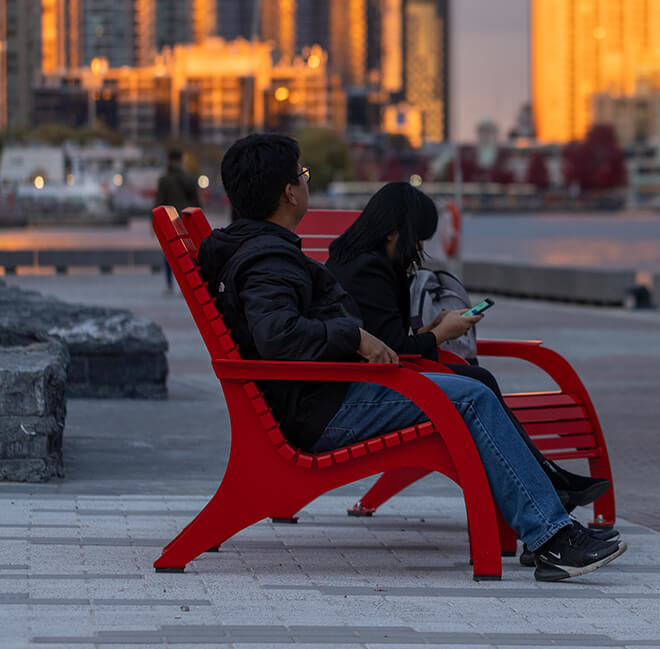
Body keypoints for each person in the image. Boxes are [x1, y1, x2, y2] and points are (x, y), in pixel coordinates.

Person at [195, 133, 625, 581]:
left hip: (319, 393)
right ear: (289, 191)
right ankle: (553, 538)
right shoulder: (267, 259)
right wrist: (356, 337)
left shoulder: (256, 249)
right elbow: (278, 335)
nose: (305, 183)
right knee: (469, 397)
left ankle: (548, 527)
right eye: (302, 175)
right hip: (320, 407)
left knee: (469, 389)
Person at [324, 181, 612, 514]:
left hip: (375, 378)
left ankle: (547, 480)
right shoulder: (368, 269)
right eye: (418, 237)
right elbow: (392, 349)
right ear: (394, 232)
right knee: (478, 382)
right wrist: (442, 334)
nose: (419, 247)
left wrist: (432, 328)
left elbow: (383, 336)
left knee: (478, 379)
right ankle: (547, 481)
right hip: (369, 391)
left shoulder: (358, 260)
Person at [155, 148, 201, 292]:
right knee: (188, 253)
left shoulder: (164, 180)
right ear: (181, 160)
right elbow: (197, 202)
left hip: (169, 220)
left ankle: (170, 285)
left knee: (169, 254)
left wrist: (154, 222)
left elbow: (159, 202)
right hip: (185, 219)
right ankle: (191, 283)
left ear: (169, 160)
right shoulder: (189, 178)